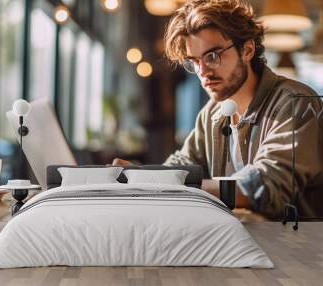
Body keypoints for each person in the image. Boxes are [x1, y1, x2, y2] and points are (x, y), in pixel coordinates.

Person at [113, 0, 323, 219]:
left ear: (247, 49)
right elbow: (181, 166)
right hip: (240, 244)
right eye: (195, 61)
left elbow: (263, 187)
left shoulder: (296, 103)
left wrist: (169, 183)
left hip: (298, 248)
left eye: (212, 56)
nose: (203, 71)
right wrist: (141, 175)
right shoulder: (212, 113)